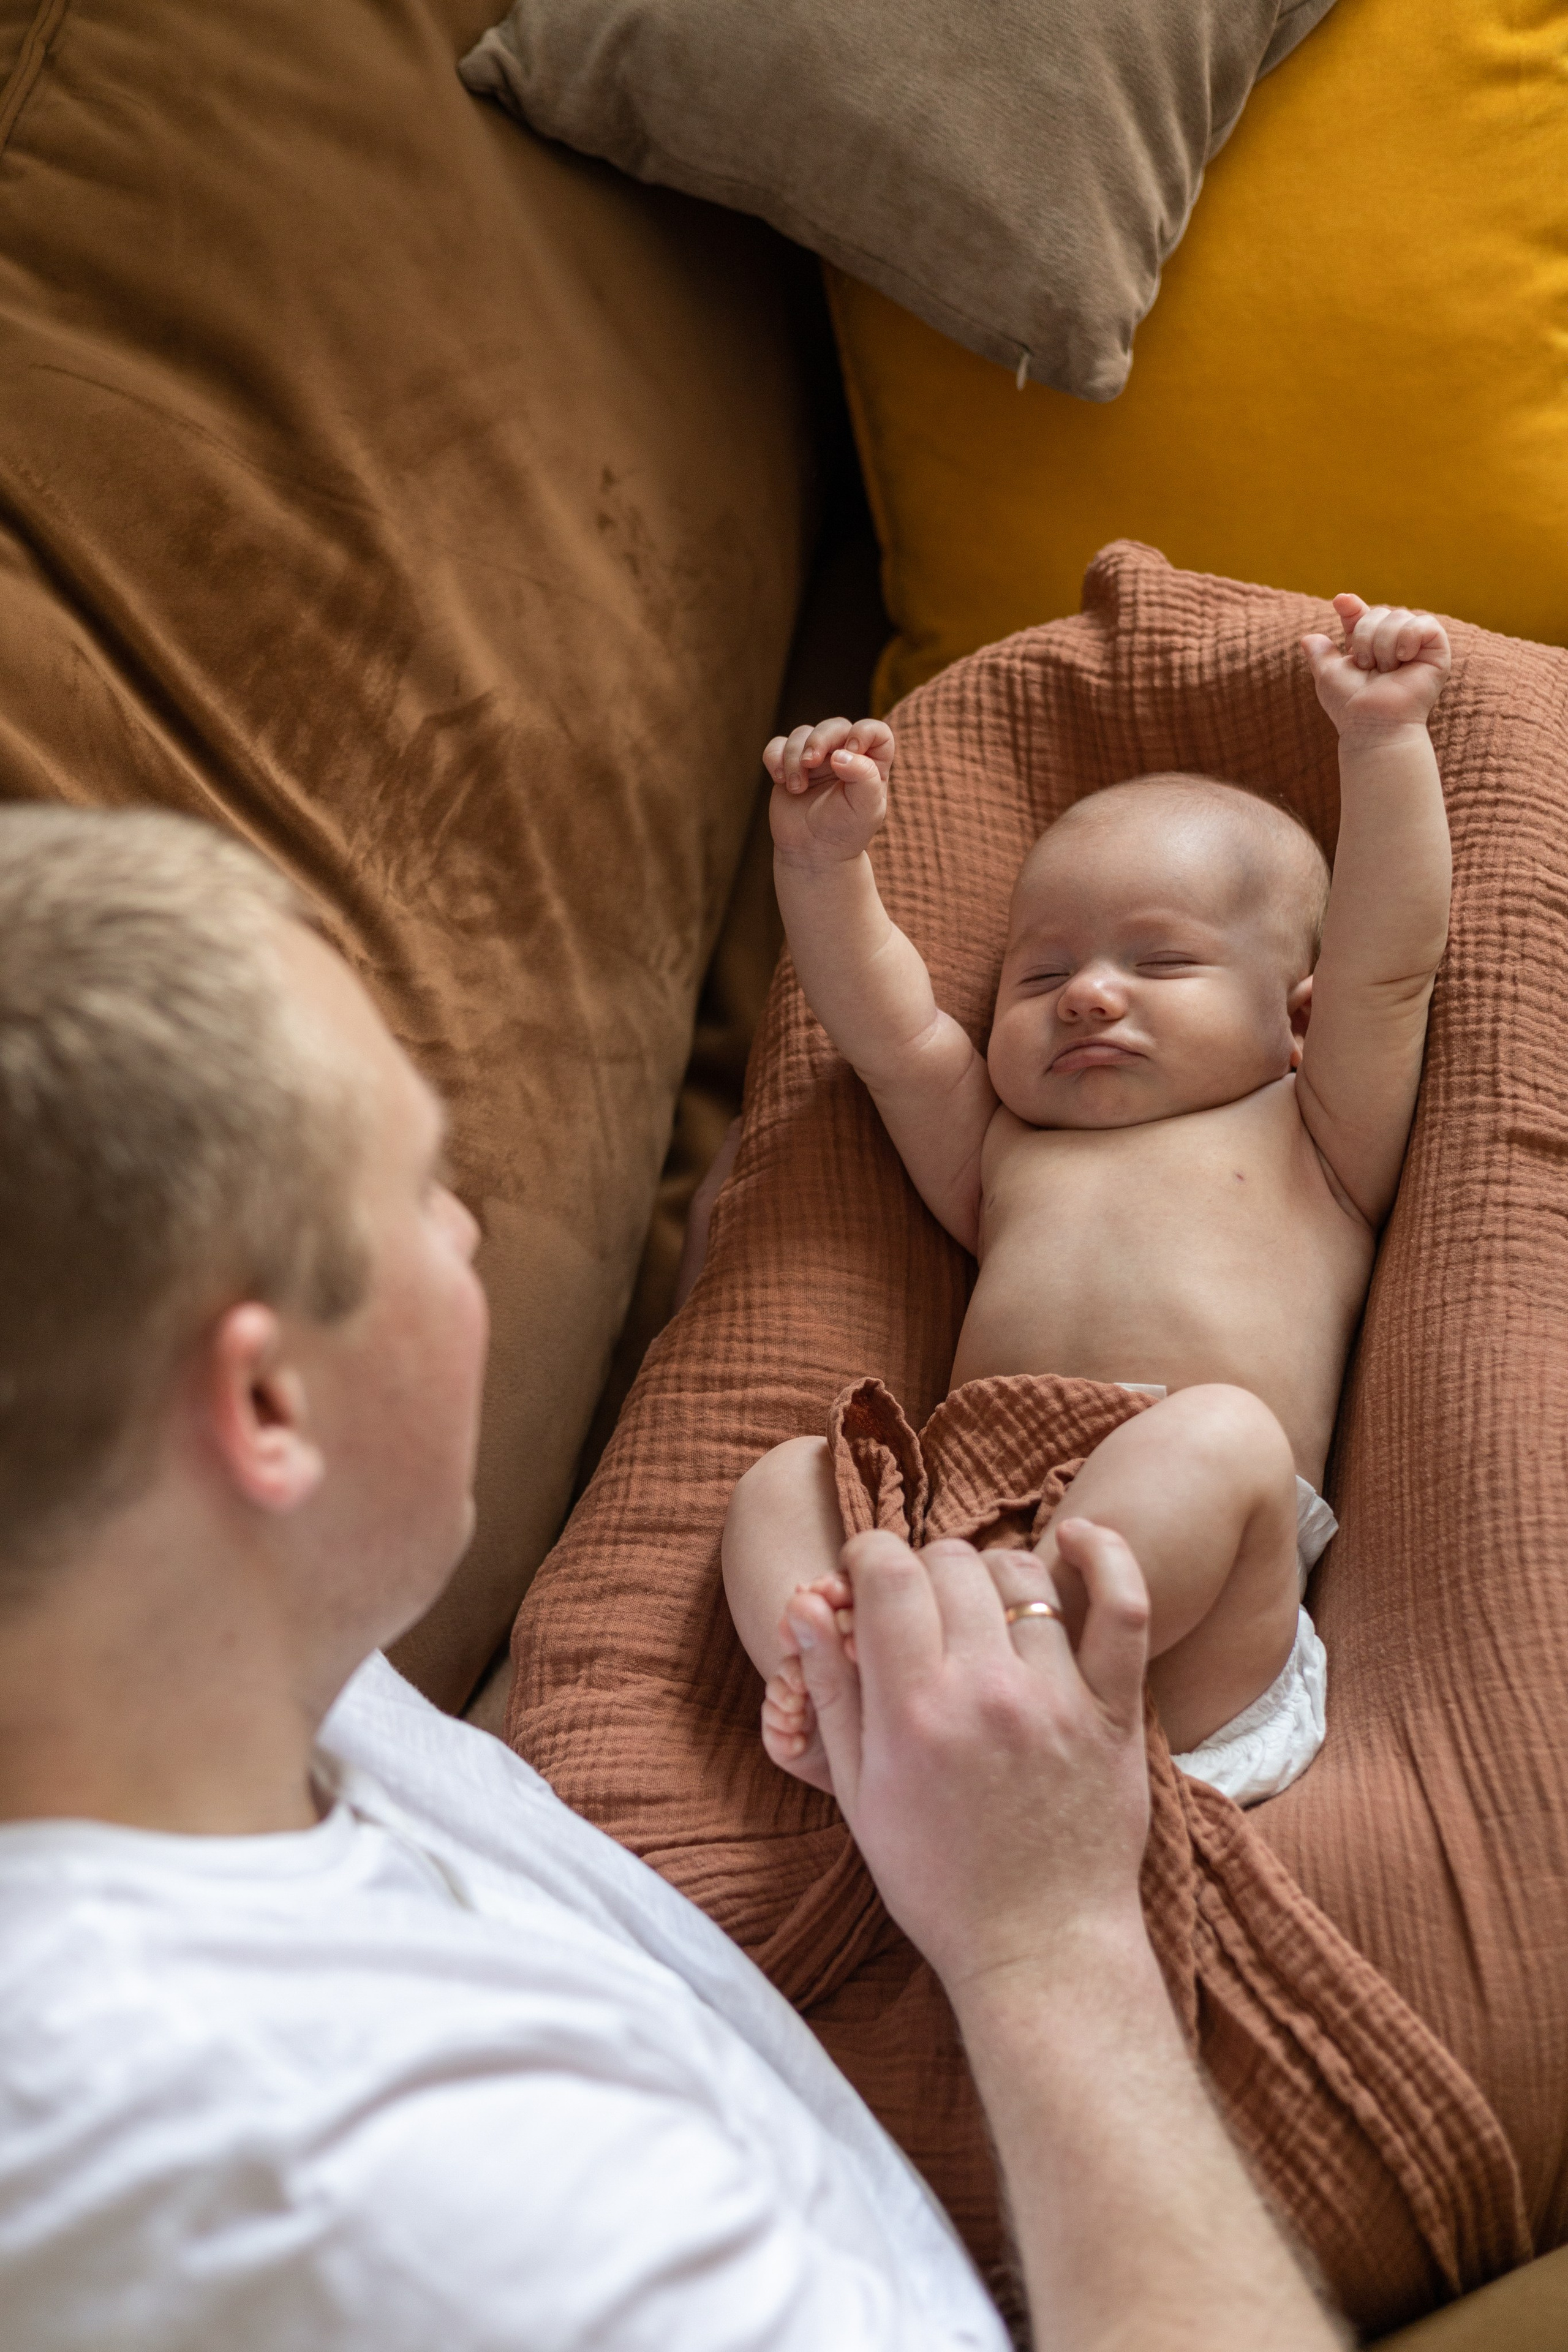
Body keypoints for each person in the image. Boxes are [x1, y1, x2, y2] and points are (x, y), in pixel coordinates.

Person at [0, 804, 1342, 2349]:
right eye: (426, 1193)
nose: (474, 1232)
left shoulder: (180, 1650)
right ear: (265, 1411)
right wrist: (1045, 1936)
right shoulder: (449, 2214)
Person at [724, 596, 1451, 1811]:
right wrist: (820, 863)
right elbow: (890, 1032)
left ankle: (991, 1668)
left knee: (1224, 1437)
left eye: (1158, 964)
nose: (1085, 998)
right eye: (1042, 973)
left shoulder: (1313, 1137)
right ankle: (835, 1664)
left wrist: (1380, 744)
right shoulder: (1001, 1147)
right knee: (786, 1476)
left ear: (1297, 1021)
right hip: (958, 1538)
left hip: (1182, 1616)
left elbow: (1389, 963)